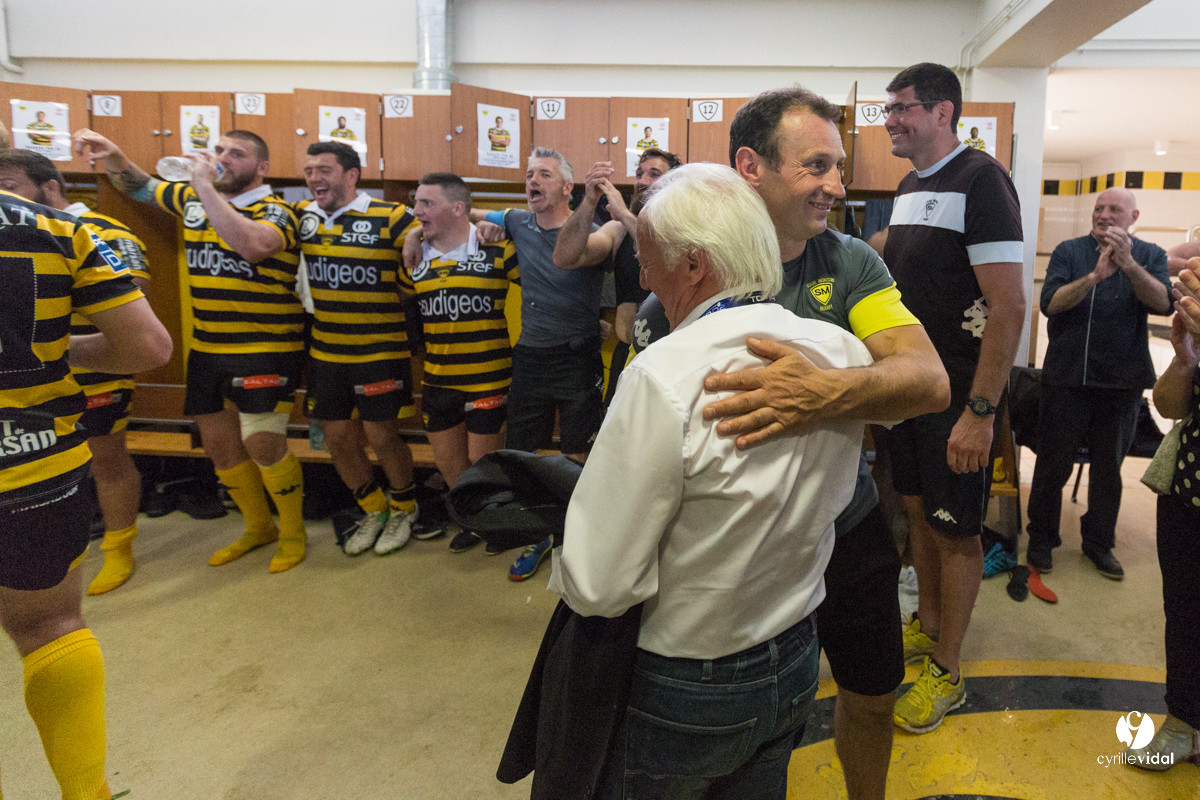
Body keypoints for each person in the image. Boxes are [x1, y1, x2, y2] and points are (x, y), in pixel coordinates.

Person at [638, 87, 949, 800]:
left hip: (844, 527)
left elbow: (926, 379)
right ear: (752, 165)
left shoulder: (848, 265)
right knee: (736, 722)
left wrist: (824, 395)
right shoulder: (687, 273)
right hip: (726, 544)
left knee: (870, 694)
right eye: (817, 166)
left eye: (838, 167)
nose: (837, 187)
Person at [550, 162, 879, 799]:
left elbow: (600, 582)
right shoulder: (840, 353)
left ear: (694, 265)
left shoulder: (664, 373)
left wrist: (563, 556)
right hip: (794, 654)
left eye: (648, 261)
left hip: (691, 678)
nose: (642, 278)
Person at [0, 144, 173, 799]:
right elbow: (148, 345)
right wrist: (56, 349)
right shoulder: (59, 232)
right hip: (32, 459)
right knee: (48, 627)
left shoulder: (103, 228)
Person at [74, 126, 310, 574]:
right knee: (220, 450)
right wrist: (116, 154)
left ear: (261, 168)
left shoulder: (278, 210)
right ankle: (259, 527)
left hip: (267, 346)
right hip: (207, 347)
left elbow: (254, 246)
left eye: (235, 154)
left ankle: (293, 532)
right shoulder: (192, 201)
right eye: (220, 150)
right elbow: (141, 186)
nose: (222, 157)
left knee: (262, 444)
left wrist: (202, 184)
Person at [881, 62, 1027, 734]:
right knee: (919, 515)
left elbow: (1008, 306)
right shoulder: (911, 184)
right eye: (889, 109)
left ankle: (950, 668)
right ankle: (930, 626)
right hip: (912, 391)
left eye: (902, 108)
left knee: (957, 531)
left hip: (957, 400)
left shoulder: (982, 180)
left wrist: (980, 412)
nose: (890, 120)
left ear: (943, 112)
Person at [0, 149, 153, 595]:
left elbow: (137, 297)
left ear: (50, 187)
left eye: (10, 187)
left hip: (97, 368)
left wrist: (59, 342)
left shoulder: (100, 230)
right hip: (27, 386)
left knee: (106, 459)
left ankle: (119, 548)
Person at [476, 147, 608, 576]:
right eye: (529, 174)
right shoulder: (517, 220)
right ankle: (535, 537)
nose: (532, 181)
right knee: (523, 451)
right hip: (531, 355)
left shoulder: (597, 227)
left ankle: (571, 540)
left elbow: (596, 249)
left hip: (577, 356)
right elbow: (469, 213)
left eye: (544, 174)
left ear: (567, 187)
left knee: (576, 455)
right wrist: (477, 225)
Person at [1026, 187, 1170, 579]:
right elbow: (1051, 303)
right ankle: (1041, 538)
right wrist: (1093, 277)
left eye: (1114, 209)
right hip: (1067, 379)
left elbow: (1162, 302)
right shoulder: (1069, 252)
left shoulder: (1152, 256)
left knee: (1109, 472)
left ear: (1133, 217)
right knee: (1052, 468)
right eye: (1098, 208)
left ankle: (1099, 544)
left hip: (1122, 385)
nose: (1104, 215)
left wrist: (1128, 266)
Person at [295, 141, 423, 556]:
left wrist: (418, 233)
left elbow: (430, 241)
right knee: (335, 438)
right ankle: (373, 508)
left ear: (351, 175)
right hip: (327, 351)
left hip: (380, 350)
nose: (315, 178)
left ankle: (405, 506)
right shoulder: (301, 217)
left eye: (325, 170)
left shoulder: (391, 216)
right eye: (310, 170)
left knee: (382, 435)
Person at [401, 173, 519, 517]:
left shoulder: (497, 248)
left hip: (489, 376)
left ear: (457, 208)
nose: (417, 210)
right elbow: (409, 313)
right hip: (438, 379)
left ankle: (495, 519)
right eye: (416, 202)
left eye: (427, 203)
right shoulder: (413, 256)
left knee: (482, 462)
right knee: (449, 463)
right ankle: (474, 519)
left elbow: (540, 291)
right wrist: (413, 234)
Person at [554, 147, 681, 404]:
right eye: (639, 173)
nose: (642, 181)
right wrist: (589, 201)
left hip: (670, 356)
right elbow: (565, 257)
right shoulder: (618, 230)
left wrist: (625, 213)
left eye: (653, 174)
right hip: (627, 353)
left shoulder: (683, 228)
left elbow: (667, 259)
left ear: (674, 182)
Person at [1137, 261, 1200, 770]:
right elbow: (1169, 405)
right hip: (1187, 492)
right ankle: (1181, 721)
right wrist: (1184, 359)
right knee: (1183, 614)